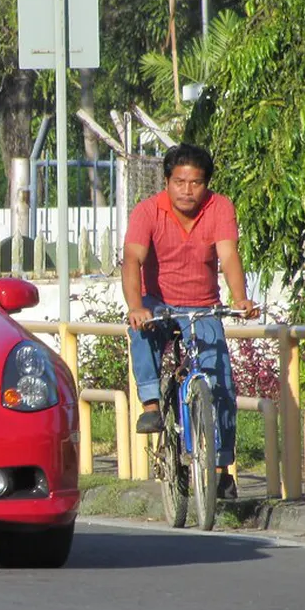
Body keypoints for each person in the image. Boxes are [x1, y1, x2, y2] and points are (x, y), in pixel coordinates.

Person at [122, 143, 258, 500]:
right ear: (167, 181)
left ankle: (221, 468)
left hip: (202, 304)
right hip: (158, 303)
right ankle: (151, 404)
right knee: (141, 330)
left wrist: (240, 298)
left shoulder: (220, 207)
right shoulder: (147, 212)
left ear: (206, 184)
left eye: (195, 183)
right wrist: (137, 307)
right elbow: (132, 260)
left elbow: (228, 255)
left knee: (220, 381)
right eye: (179, 181)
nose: (187, 190)